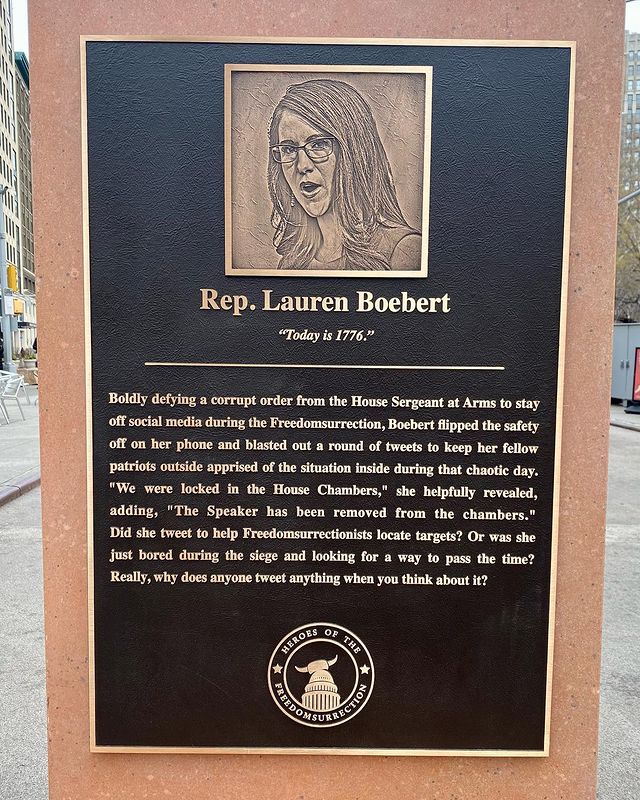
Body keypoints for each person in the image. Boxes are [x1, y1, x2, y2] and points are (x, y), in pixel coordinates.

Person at [267, 78, 421, 271]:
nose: (302, 165)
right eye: (288, 148)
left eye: (318, 144)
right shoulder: (292, 263)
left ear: (354, 152)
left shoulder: (403, 250)